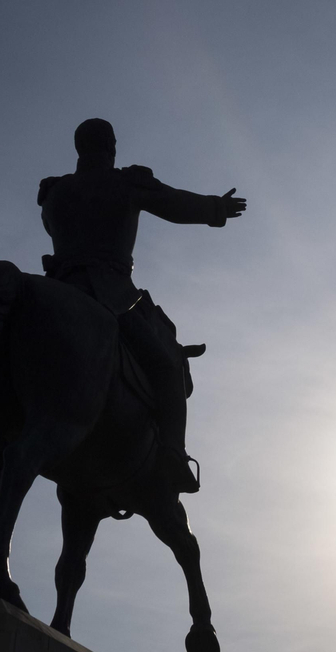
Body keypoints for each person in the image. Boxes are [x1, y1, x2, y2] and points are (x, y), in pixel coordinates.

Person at [36, 118, 246, 492]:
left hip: (58, 288)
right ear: (111, 145)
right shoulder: (126, 183)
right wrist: (216, 208)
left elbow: (54, 232)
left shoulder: (54, 191)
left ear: (78, 148)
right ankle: (173, 456)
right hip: (110, 292)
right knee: (167, 368)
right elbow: (174, 204)